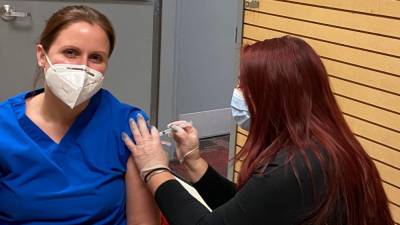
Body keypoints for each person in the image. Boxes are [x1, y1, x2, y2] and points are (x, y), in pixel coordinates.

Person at [122, 36, 395, 225]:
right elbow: (246, 209)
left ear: (275, 97)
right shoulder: (317, 147)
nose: (236, 93)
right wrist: (193, 160)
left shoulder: (297, 166)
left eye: (244, 85)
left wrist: (155, 170)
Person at [0, 5, 160, 224]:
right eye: (71, 52)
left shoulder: (128, 126)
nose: (83, 67)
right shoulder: (5, 127)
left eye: (96, 57)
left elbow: (142, 221)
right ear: (41, 55)